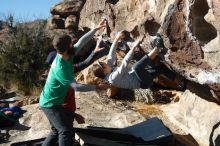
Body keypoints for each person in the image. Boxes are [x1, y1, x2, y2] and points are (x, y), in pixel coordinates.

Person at [39, 19, 109, 146]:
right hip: (50, 104)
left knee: (56, 130)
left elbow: (82, 42)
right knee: (64, 130)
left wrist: (95, 29)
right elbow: (76, 86)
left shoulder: (67, 54)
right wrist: (97, 87)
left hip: (52, 101)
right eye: (72, 42)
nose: (74, 43)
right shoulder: (60, 68)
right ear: (69, 46)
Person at [92, 31, 178, 89]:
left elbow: (111, 55)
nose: (105, 62)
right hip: (143, 82)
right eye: (103, 64)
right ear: (104, 71)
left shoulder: (108, 69)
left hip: (138, 75)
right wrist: (133, 47)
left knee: (161, 69)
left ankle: (181, 82)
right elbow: (124, 64)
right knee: (136, 67)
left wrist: (116, 39)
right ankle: (158, 48)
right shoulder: (112, 78)